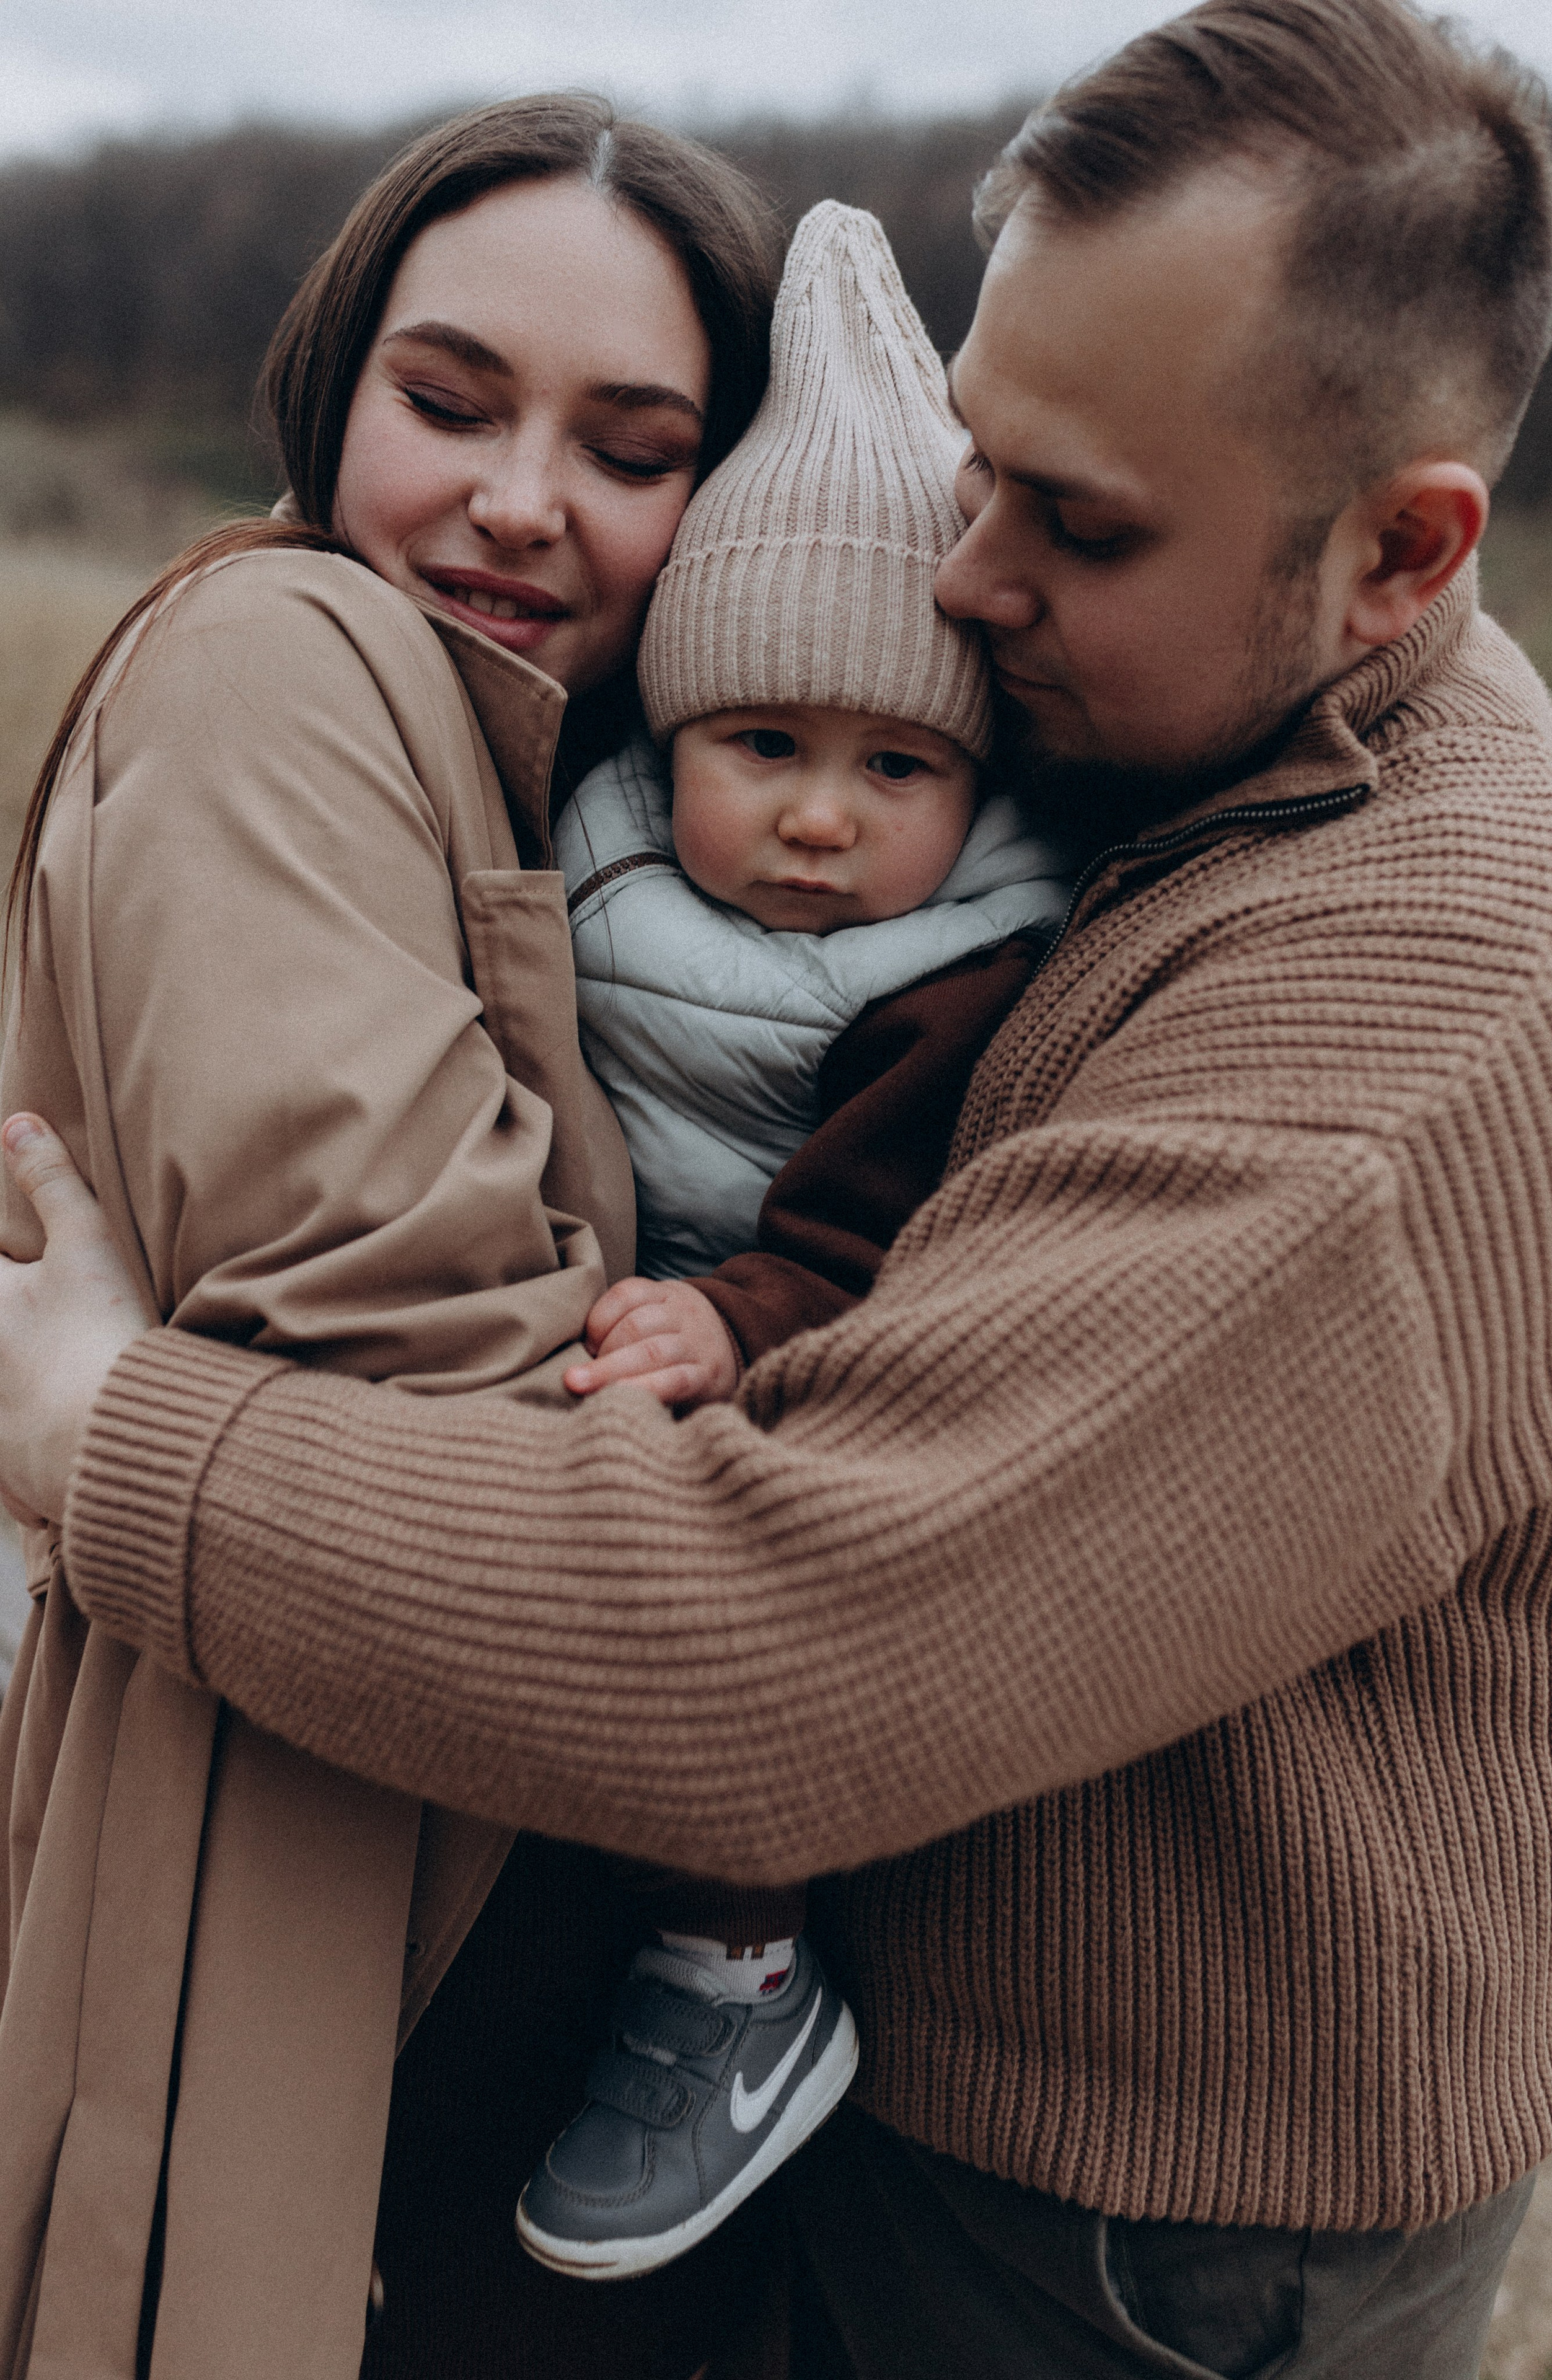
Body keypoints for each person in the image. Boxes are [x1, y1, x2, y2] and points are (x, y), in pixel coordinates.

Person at [1, 1, 1552, 2374]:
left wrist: (107, 1444)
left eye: (1081, 524)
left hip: (1120, 2239)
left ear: (1403, 553)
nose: (959, 580)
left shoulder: (1392, 1032)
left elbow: (780, 1664)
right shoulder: (1186, 725)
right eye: (975, 469)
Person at [0, 95, 783, 2380]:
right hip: (318, 1880)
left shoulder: (640, 806)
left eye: (633, 449)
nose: (520, 500)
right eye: (448, 404)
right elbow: (424, 1354)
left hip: (483, 1889)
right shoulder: (282, 666)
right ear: (334, 381)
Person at [516, 198, 1067, 2280]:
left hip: (785, 1330)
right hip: (588, 1262)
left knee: (720, 1590)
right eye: (767, 749)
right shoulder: (594, 843)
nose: (823, 821)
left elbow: (869, 1230)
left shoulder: (956, 973)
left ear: (971, 773)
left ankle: (741, 1973)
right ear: (675, 739)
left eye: (895, 764)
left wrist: (733, 1323)